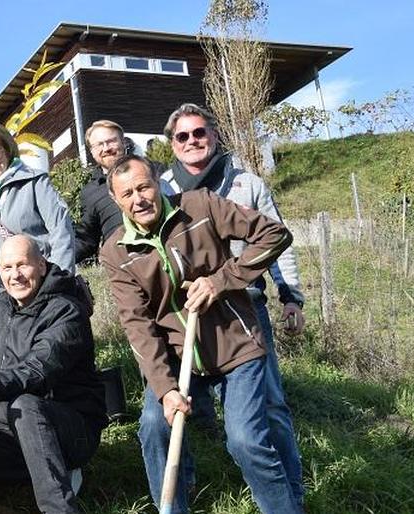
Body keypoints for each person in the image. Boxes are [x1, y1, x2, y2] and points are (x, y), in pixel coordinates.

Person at [99, 154, 300, 514]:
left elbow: (275, 234)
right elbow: (138, 325)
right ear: (116, 199)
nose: (138, 199)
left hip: (235, 344)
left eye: (144, 187)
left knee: (244, 441)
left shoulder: (200, 206)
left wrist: (220, 280)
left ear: (158, 183)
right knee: (152, 426)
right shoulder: (116, 252)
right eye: (127, 194)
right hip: (178, 355)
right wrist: (165, 390)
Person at [158, 103, 307, 508]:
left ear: (214, 136)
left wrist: (289, 295)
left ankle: (291, 492)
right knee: (179, 409)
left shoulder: (247, 184)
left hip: (246, 306)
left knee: (271, 405)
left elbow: (277, 242)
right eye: (183, 136)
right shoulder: (164, 189)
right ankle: (186, 486)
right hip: (191, 314)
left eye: (199, 133)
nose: (193, 141)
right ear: (172, 144)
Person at [0, 235, 106, 514]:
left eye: (22, 265)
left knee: (25, 404)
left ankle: (59, 506)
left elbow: (36, 372)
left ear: (42, 265)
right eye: (7, 268)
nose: (15, 276)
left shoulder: (66, 312)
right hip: (9, 428)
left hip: (70, 428)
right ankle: (38, 476)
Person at [0, 121, 76, 344]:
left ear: (7, 150)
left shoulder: (35, 182)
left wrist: (58, 286)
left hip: (38, 292)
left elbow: (62, 234)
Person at [74, 120, 127, 264]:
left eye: (111, 141)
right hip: (124, 265)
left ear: (123, 142)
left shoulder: (150, 172)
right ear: (92, 151)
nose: (106, 148)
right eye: (99, 145)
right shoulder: (90, 192)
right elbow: (87, 239)